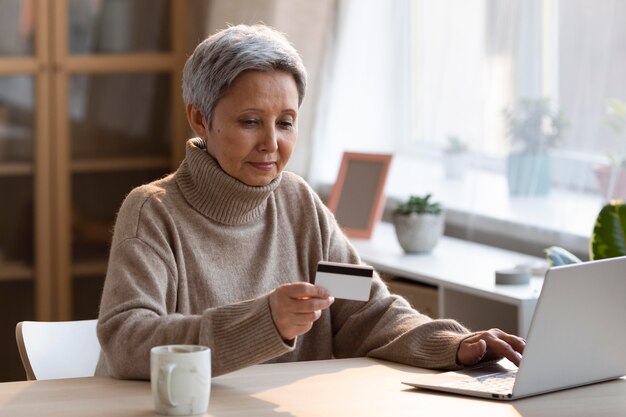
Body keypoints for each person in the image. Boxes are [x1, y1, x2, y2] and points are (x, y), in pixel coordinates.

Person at [95, 24, 525, 380]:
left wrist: (453, 345)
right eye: (249, 122)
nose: (271, 144)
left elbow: (367, 311)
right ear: (200, 119)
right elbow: (128, 341)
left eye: (286, 123)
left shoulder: (299, 202)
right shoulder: (153, 211)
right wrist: (263, 321)